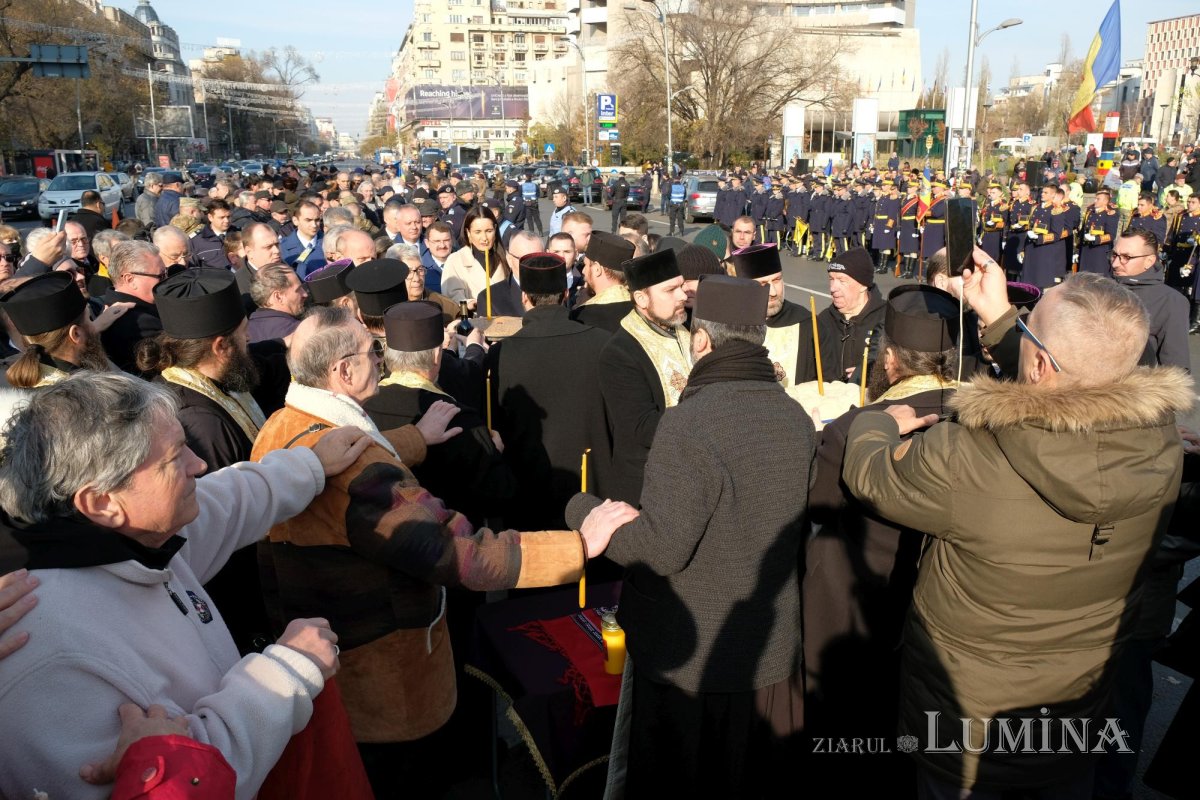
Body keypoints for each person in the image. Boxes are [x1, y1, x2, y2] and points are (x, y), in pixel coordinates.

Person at [250, 305, 636, 796]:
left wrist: (416, 438)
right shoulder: (363, 473)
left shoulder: (283, 425)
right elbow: (457, 551)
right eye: (372, 354)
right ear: (343, 371)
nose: (382, 364)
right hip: (386, 683)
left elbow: (345, 456)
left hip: (332, 657)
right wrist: (578, 544)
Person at [842, 264, 1193, 799]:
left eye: (1028, 327)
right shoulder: (1162, 445)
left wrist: (876, 423)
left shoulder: (973, 456)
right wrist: (1004, 321)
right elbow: (1074, 385)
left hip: (969, 731)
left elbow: (870, 475)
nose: (1022, 329)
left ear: (1041, 363)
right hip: (1075, 716)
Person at [0, 371, 375, 800]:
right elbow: (182, 782)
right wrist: (288, 672)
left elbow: (226, 500)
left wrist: (310, 466)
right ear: (102, 502)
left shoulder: (119, 538)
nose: (199, 465)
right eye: (176, 457)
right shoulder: (45, 649)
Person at [578, 275, 812, 798]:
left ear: (702, 342)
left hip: (693, 661)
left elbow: (661, 548)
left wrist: (588, 513)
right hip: (770, 653)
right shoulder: (794, 416)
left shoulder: (689, 422)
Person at [803, 283, 962, 794]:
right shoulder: (974, 415)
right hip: (937, 601)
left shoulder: (856, 426)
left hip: (853, 601)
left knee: (846, 729)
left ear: (890, 360)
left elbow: (821, 505)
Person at [598, 248, 691, 505]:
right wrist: (707, 414)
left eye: (681, 286)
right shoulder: (619, 352)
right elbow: (641, 428)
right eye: (670, 290)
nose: (683, 295)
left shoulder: (687, 330)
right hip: (650, 489)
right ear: (641, 298)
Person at [727, 243, 816, 390]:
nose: (773, 292)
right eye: (763, 284)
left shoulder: (806, 323)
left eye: (776, 280)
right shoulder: (729, 325)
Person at [1109, 228, 1190, 371]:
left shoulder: (1170, 301)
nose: (1115, 263)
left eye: (1126, 257)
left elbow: (1176, 370)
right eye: (1114, 255)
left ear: (1149, 261)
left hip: (1132, 389)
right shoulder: (1100, 288)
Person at [816, 247, 886, 384]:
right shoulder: (823, 320)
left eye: (842, 281)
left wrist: (867, 373)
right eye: (831, 279)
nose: (833, 288)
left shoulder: (887, 317)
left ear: (863, 285)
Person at [100, 240, 167, 374]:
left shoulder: (113, 306)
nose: (166, 281)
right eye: (160, 276)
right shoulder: (138, 322)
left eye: (166, 273)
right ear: (130, 280)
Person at [570, 230, 636, 333]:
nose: (583, 271)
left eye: (586, 265)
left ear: (597, 269)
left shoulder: (583, 315)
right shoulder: (640, 309)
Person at [441, 206, 506, 306]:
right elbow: (452, 296)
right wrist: (469, 303)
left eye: (489, 231)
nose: (484, 238)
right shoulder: (455, 260)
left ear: (495, 229)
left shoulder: (507, 258)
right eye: (478, 232)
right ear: (468, 232)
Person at [247, 263, 308, 343]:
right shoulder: (298, 332)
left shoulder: (245, 334)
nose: (305, 294)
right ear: (278, 297)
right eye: (298, 289)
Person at [279, 201, 327, 278]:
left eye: (317, 220)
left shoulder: (330, 242)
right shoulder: (282, 248)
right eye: (308, 220)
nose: (314, 225)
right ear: (295, 221)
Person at [1078, 188, 1120, 275]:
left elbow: (1111, 235)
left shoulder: (1110, 214)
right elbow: (1084, 229)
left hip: (1100, 250)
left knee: (1098, 276)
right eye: (1095, 198)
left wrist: (1095, 239)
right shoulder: (1090, 211)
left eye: (1098, 199)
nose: (1095, 201)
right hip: (1086, 249)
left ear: (1105, 201)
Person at [192, 200, 234, 271]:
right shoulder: (197, 241)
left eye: (228, 216)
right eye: (222, 217)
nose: (226, 220)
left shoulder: (238, 234)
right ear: (210, 217)